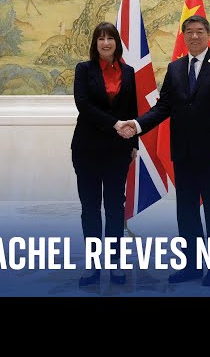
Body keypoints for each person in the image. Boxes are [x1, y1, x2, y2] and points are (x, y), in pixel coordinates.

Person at [119, 15, 210, 287]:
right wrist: (137, 124)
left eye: (200, 31)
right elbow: (164, 108)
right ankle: (192, 266)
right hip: (183, 155)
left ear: (208, 34)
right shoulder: (175, 68)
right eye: (189, 32)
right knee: (186, 213)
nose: (194, 36)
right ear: (183, 36)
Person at [71, 22, 138, 287]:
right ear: (95, 43)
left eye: (110, 38)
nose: (105, 42)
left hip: (118, 150)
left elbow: (132, 108)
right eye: (100, 38)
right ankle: (91, 264)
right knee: (90, 207)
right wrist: (114, 124)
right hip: (87, 148)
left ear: (117, 43)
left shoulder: (129, 72)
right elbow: (83, 104)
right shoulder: (84, 70)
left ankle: (114, 263)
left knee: (114, 207)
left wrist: (134, 142)